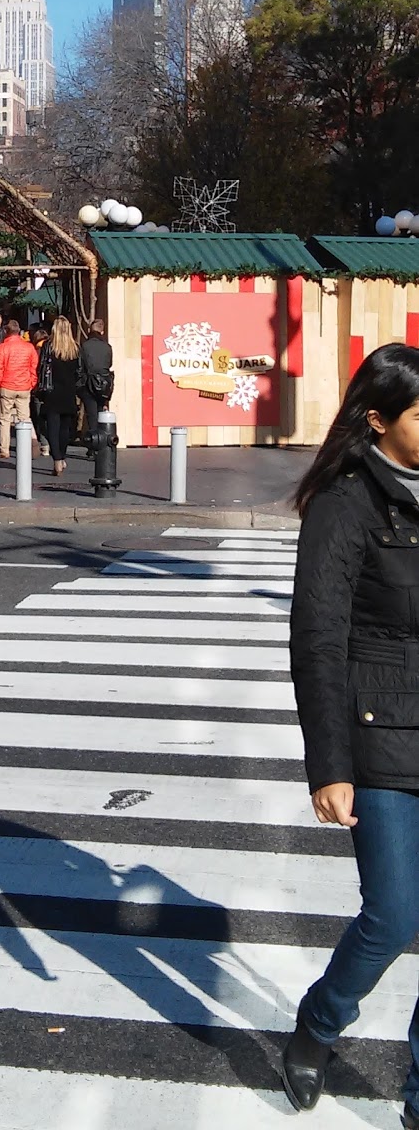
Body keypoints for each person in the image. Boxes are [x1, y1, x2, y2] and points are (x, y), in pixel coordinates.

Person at [282, 344, 419, 1125]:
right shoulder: (345, 503)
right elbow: (319, 637)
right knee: (395, 915)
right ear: (379, 421)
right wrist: (328, 764)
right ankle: (319, 1024)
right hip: (380, 737)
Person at [39, 315, 80, 476]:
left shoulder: (48, 346)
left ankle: (56, 459)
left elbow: (42, 368)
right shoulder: (75, 348)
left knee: (51, 427)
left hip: (52, 391)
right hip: (69, 392)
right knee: (65, 428)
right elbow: (79, 372)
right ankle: (61, 457)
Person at [0, 319, 39, 459]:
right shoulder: (29, 347)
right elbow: (33, 367)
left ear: (6, 332)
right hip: (24, 386)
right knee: (24, 417)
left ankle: (4, 449)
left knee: (4, 419)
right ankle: (27, 446)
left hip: (7, 385)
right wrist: (32, 383)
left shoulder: (2, 348)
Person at [80, 318, 114, 455]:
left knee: (91, 414)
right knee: (101, 412)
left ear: (90, 330)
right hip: (103, 383)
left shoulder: (85, 346)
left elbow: (81, 365)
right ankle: (101, 443)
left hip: (88, 382)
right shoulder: (107, 347)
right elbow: (109, 364)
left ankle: (93, 445)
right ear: (102, 331)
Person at [29, 325, 50, 457]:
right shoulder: (51, 351)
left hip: (37, 388)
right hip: (51, 388)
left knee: (39, 417)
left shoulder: (34, 351)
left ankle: (44, 443)